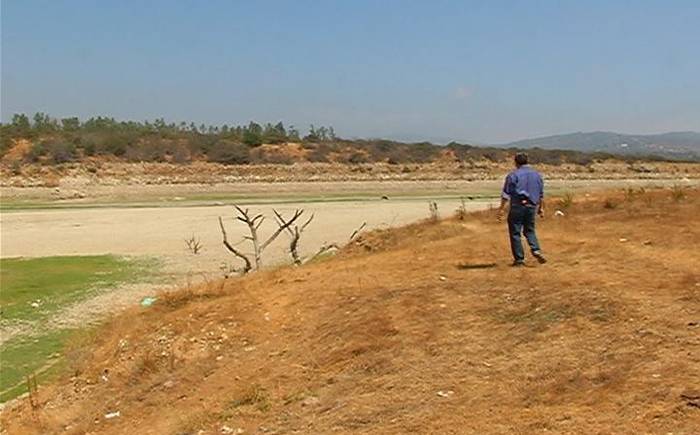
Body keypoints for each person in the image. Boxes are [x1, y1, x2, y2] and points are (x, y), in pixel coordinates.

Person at [497, 153, 547, 266]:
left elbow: (506, 194)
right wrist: (541, 208)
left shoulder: (513, 175)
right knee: (530, 230)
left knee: (515, 232)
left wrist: (501, 209)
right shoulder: (537, 175)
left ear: (516, 162)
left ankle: (519, 259)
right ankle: (535, 249)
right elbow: (541, 194)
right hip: (531, 206)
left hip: (518, 206)